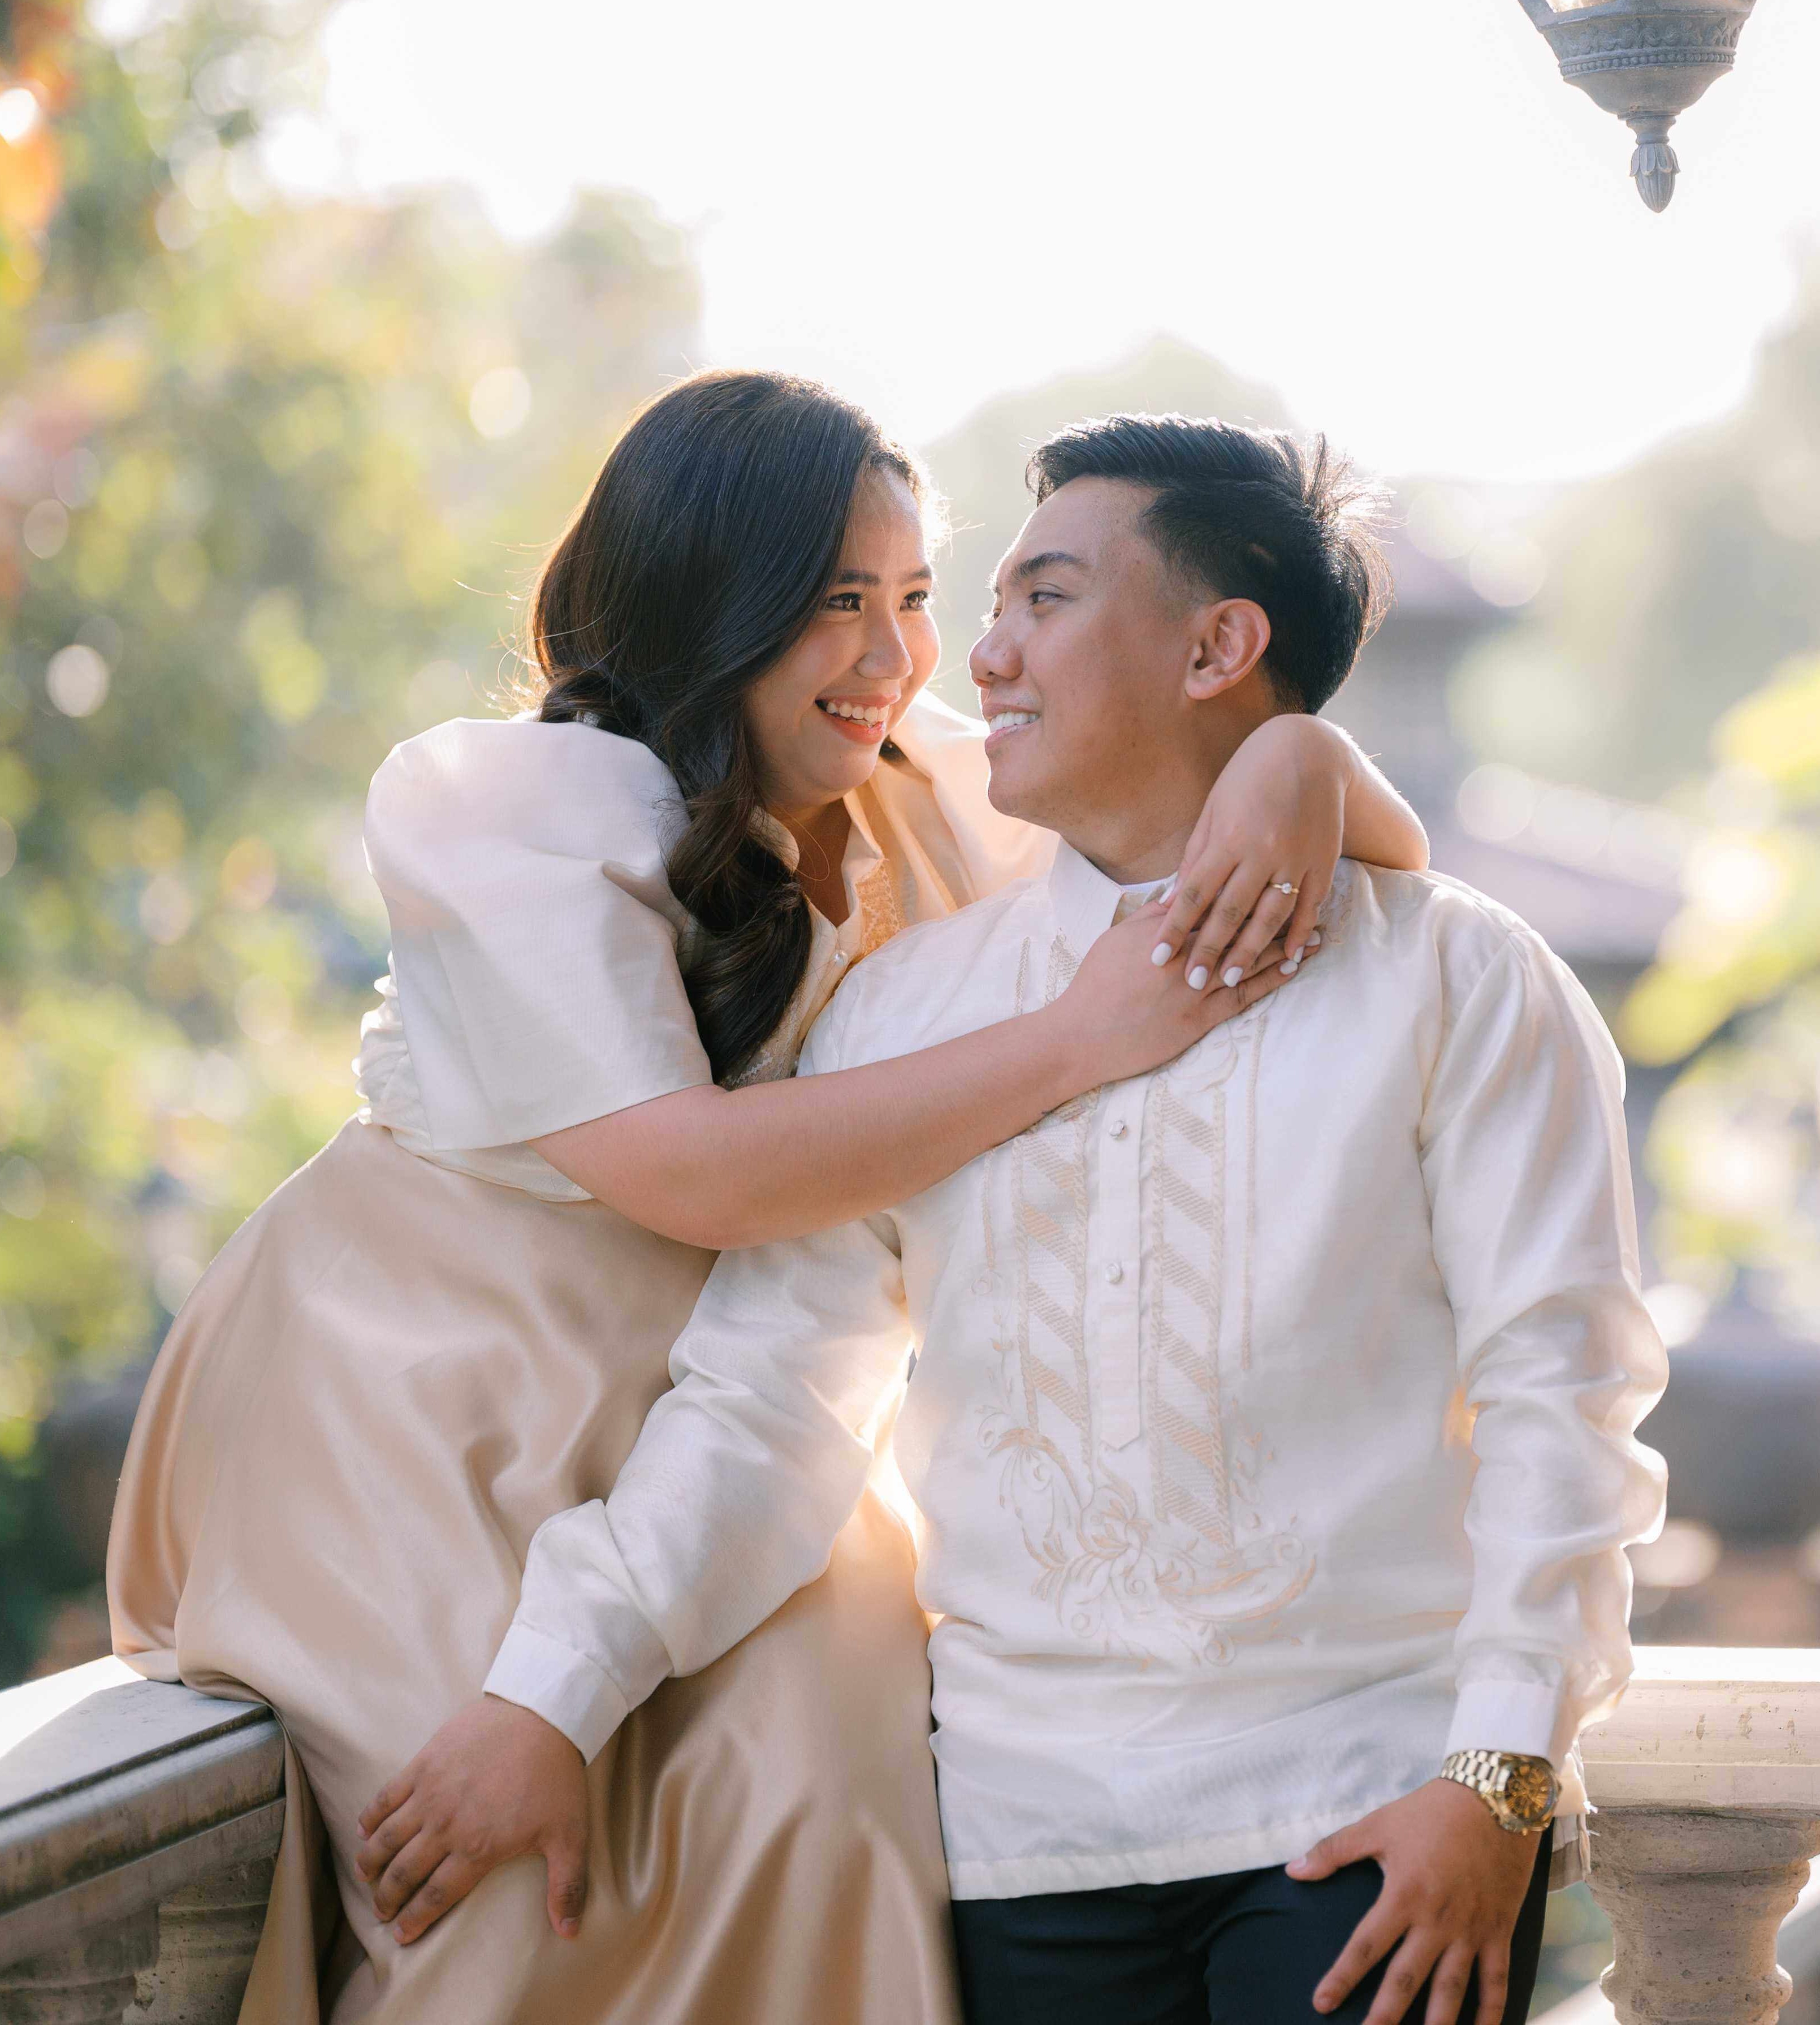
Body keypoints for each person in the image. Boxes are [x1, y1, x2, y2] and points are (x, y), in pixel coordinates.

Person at [108, 373, 1429, 2025]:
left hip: (734, 1381)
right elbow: (689, 1171)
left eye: (914, 599)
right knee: (516, 1880)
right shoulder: (525, 812)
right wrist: (1079, 1037)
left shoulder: (908, 782)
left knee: (841, 1782)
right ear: (706, 599)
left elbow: (1275, 812)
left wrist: (1302, 756)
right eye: (834, 602)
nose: (898, 656)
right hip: (420, 1381)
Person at [358, 412, 1669, 2025]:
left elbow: (1564, 1395)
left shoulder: (1457, 978)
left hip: (1369, 1809)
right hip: (1021, 1846)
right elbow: (772, 1407)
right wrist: (551, 1698)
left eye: (1040, 599)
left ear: (1217, 648)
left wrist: (1499, 1777)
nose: (970, 660)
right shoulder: (904, 1012)